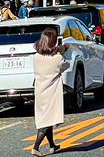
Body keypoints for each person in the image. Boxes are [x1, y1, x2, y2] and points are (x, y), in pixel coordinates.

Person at [31, 27, 69, 156]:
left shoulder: (36, 57)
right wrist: (61, 52)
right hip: (51, 92)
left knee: (48, 118)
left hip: (40, 90)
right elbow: (66, 65)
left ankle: (52, 145)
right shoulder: (57, 59)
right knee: (46, 122)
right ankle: (36, 147)